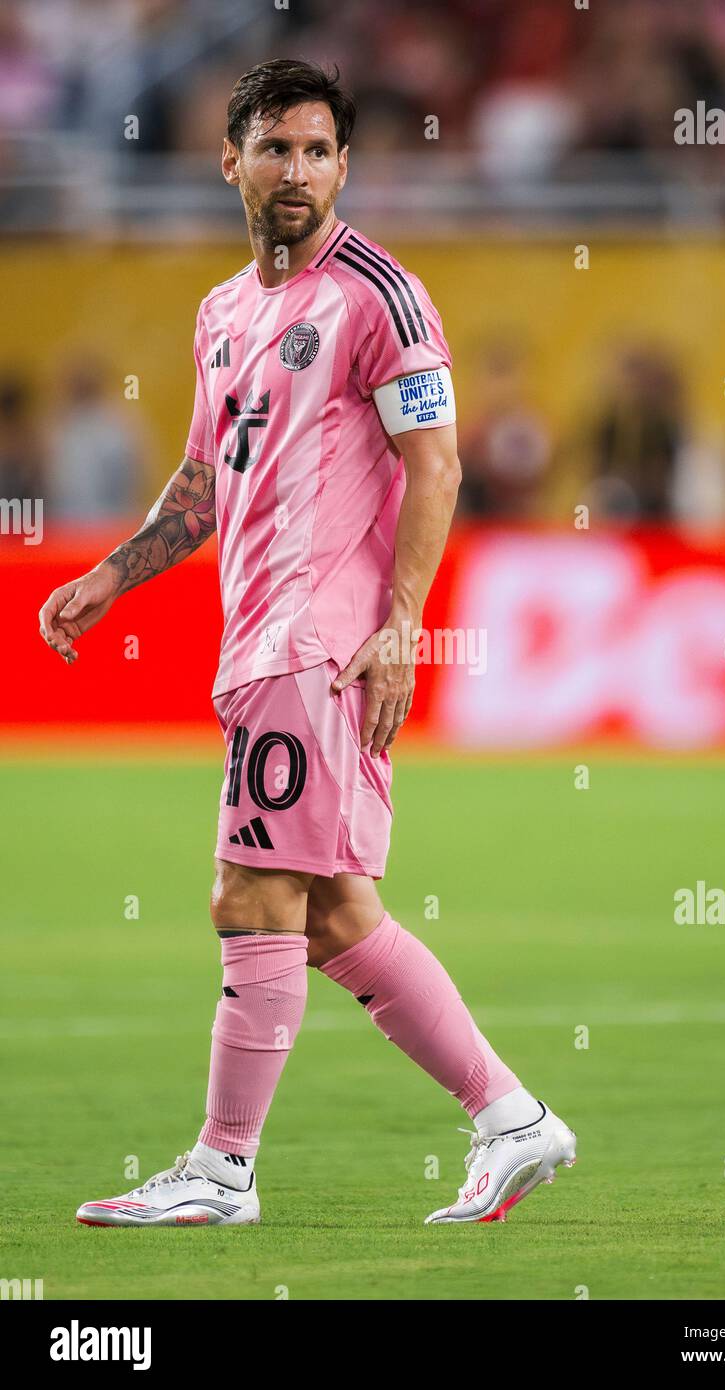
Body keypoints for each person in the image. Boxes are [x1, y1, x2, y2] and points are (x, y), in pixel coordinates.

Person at [38, 59, 575, 1228]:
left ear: (345, 166)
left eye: (319, 150)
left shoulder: (377, 293)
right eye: (275, 147)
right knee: (333, 914)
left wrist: (400, 626)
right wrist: (110, 576)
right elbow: (199, 481)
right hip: (257, 639)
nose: (297, 170)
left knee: (250, 892)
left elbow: (436, 462)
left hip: (317, 645)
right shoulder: (222, 313)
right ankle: (509, 1116)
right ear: (228, 159)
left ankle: (223, 1167)